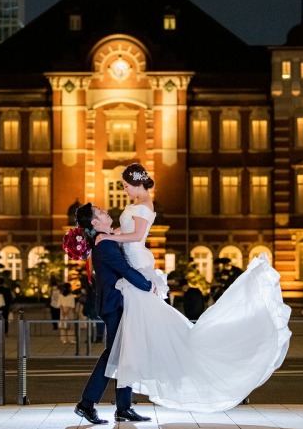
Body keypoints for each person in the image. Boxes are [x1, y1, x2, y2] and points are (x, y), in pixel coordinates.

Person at [104, 163, 292, 413]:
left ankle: (130, 397)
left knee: (145, 330)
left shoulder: (143, 205)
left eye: (126, 186)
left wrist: (108, 238)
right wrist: (106, 232)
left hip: (137, 264)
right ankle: (126, 401)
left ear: (137, 184)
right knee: (143, 331)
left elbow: (136, 236)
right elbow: (126, 230)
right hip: (135, 262)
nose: (125, 191)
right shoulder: (136, 205)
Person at [69, 202, 155, 424]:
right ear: (95, 223)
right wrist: (147, 285)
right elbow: (124, 270)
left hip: (116, 303)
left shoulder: (107, 239)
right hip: (114, 304)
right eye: (100, 212)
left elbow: (129, 235)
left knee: (122, 354)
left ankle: (122, 407)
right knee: (114, 354)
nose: (105, 211)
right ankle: (87, 404)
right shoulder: (104, 245)